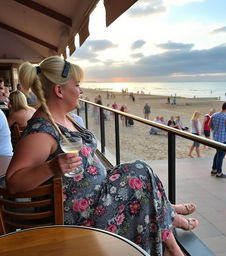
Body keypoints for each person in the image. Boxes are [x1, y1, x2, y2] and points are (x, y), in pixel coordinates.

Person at [6, 56, 198, 256]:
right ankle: (173, 244)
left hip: (99, 196)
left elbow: (89, 157)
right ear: (59, 90)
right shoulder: (41, 131)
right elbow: (12, 182)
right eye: (78, 85)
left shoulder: (67, 118)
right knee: (140, 172)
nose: (81, 91)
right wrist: (51, 168)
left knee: (141, 173)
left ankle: (167, 217)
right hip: (83, 214)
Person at [209, 102, 226, 178]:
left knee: (217, 154)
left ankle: (214, 169)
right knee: (220, 156)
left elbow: (209, 125)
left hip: (216, 138)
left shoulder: (214, 115)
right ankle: (219, 173)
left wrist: (216, 130)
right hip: (223, 139)